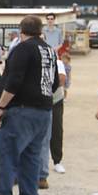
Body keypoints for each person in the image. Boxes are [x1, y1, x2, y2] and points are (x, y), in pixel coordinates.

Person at [0, 15, 59, 195]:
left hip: (23, 109)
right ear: (41, 30)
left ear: (21, 31)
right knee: (30, 156)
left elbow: (14, 80)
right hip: (44, 110)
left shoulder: (23, 49)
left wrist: (0, 107)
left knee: (4, 153)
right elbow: (56, 82)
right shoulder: (49, 50)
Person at [38, 55, 68, 187]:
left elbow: (61, 79)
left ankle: (57, 161)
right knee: (40, 135)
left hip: (55, 99)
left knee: (56, 130)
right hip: (39, 99)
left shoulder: (57, 62)